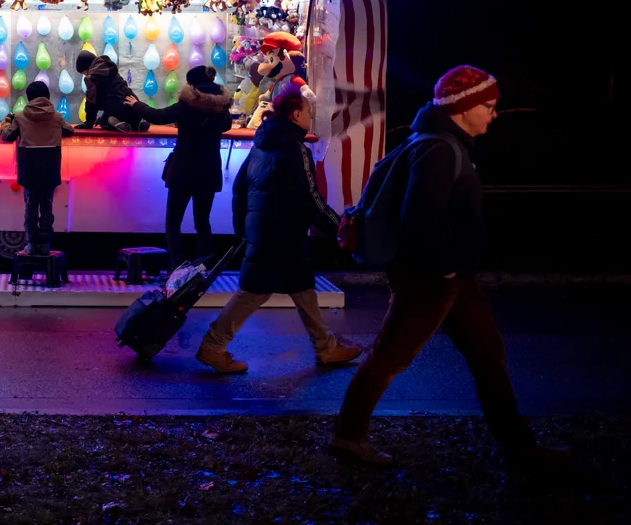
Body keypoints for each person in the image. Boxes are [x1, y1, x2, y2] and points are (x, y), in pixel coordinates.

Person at [331, 66, 571, 467]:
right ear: (463, 107)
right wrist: (445, 270)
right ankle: (347, 437)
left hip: (452, 279)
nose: (494, 114)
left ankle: (519, 447)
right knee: (389, 357)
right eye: (488, 106)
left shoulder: (441, 143)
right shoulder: (438, 150)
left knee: (488, 353)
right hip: (432, 280)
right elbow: (419, 218)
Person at [195, 87, 361, 374]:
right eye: (308, 112)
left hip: (265, 231)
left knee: (302, 288)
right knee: (253, 293)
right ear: (296, 115)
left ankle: (326, 347)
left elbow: (239, 188)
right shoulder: (297, 150)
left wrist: (242, 227)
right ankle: (213, 345)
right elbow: (311, 199)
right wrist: (340, 228)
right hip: (283, 235)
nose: (311, 117)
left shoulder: (261, 145)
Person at [126, 65, 232, 268]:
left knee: (173, 222)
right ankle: (204, 267)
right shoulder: (222, 106)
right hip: (209, 170)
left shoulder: (187, 104)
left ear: (192, 84)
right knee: (203, 222)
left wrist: (136, 104)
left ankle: (178, 267)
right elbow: (226, 125)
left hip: (183, 170)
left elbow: (157, 116)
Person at [0, 80, 74, 255]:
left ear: (28, 98)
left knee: (31, 205)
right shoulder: (56, 116)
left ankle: (32, 244)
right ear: (47, 96)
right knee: (47, 205)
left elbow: (7, 135)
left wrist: (6, 120)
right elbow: (69, 131)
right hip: (50, 168)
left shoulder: (20, 117)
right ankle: (46, 243)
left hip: (29, 169)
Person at [75, 49, 147, 132]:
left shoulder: (91, 78)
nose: (85, 75)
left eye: (84, 73)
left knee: (104, 121)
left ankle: (115, 122)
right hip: (133, 104)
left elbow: (91, 102)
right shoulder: (111, 70)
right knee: (117, 107)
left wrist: (89, 123)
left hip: (118, 110)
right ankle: (138, 121)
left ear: (87, 67)